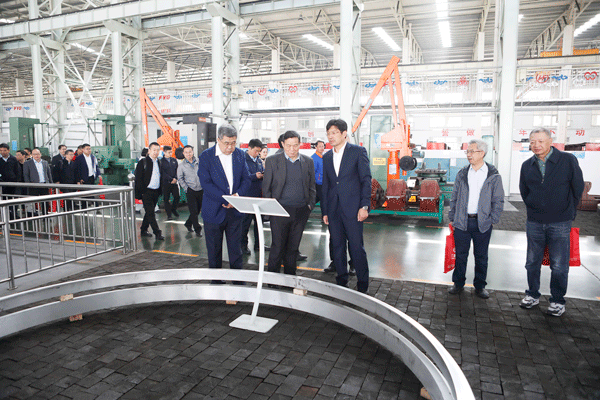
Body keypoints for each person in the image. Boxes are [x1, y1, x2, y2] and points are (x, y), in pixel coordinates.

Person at [519, 127, 584, 316]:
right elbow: (524, 191)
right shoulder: (527, 165)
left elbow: (577, 187)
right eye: (532, 142)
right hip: (535, 221)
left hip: (560, 222)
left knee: (559, 265)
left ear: (550, 141)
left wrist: (568, 211)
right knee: (532, 262)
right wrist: (533, 206)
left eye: (540, 141)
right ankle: (532, 294)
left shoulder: (567, 160)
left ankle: (557, 300)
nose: (536, 145)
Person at [448, 139, 504, 299]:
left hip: (482, 222)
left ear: (482, 153)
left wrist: (493, 218)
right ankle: (458, 283)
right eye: (467, 151)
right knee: (461, 255)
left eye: (472, 151)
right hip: (462, 222)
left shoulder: (493, 175)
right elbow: (454, 196)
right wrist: (452, 216)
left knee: (481, 256)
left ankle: (480, 286)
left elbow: (498, 199)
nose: (469, 154)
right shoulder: (462, 173)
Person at [321, 119, 371, 293]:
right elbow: (326, 185)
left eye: (334, 132)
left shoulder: (357, 152)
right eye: (328, 133)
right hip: (333, 210)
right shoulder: (327, 157)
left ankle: (363, 285)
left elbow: (366, 180)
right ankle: (342, 282)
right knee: (337, 247)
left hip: (354, 209)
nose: (331, 136)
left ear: (344, 134)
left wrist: (364, 206)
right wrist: (325, 211)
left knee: (356, 248)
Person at [197, 124, 250, 281]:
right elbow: (206, 183)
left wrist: (236, 197)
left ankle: (237, 279)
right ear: (218, 140)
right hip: (213, 211)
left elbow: (246, 179)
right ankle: (216, 280)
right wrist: (227, 199)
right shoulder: (206, 156)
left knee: (236, 249)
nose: (230, 147)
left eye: (233, 143)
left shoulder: (240, 155)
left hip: (235, 211)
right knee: (214, 250)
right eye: (227, 143)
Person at [263, 131, 315, 276]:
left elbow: (312, 186)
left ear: (300, 144)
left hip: (300, 211)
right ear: (283, 144)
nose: (292, 149)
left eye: (295, 145)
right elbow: (266, 188)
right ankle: (272, 279)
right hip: (279, 211)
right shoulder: (272, 161)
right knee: (278, 246)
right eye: (288, 145)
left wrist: (309, 205)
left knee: (293, 248)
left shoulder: (307, 162)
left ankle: (289, 279)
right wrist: (270, 210)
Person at [134, 142, 165, 240]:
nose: (156, 152)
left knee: (148, 212)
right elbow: (138, 179)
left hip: (156, 191)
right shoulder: (143, 162)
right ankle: (157, 232)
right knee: (151, 213)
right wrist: (140, 193)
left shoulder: (159, 162)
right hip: (146, 192)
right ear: (149, 151)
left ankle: (143, 229)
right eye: (154, 150)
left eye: (158, 150)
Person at [241, 139, 264, 254]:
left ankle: (259, 245)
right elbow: (241, 178)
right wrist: (254, 176)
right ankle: (243, 246)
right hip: (247, 196)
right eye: (256, 151)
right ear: (249, 148)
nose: (257, 153)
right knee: (245, 223)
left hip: (258, 196)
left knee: (259, 223)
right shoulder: (242, 160)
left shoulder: (259, 160)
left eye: (259, 151)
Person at [177, 145, 203, 237]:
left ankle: (188, 223)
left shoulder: (200, 162)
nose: (188, 154)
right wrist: (186, 188)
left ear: (193, 152)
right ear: (183, 153)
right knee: (193, 211)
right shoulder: (181, 166)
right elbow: (180, 178)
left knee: (198, 210)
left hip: (201, 189)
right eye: (186, 152)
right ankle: (197, 229)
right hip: (190, 190)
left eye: (190, 152)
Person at [23, 148, 52, 215]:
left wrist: (51, 183)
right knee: (33, 201)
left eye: (38, 154)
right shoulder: (27, 163)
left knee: (45, 201)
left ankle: (45, 215)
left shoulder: (45, 162)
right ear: (32, 155)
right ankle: (32, 215)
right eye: (34, 154)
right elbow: (26, 175)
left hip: (44, 185)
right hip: (33, 185)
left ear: (40, 154)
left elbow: (48, 173)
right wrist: (28, 184)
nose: (36, 156)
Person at [160, 145, 180, 220]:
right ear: (164, 152)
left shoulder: (174, 160)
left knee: (177, 197)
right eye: (169, 152)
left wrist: (175, 178)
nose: (170, 154)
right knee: (166, 199)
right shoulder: (161, 161)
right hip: (166, 183)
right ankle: (169, 215)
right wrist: (170, 179)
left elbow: (177, 170)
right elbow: (162, 172)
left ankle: (173, 209)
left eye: (171, 152)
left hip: (174, 182)